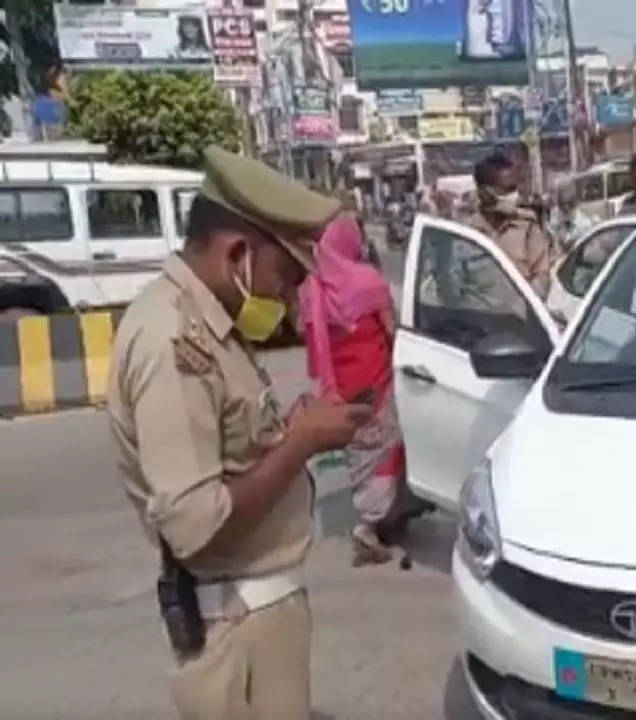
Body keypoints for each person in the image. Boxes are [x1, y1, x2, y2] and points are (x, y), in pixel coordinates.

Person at [107, 148, 372, 719]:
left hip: (256, 612)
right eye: (288, 275)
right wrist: (302, 443)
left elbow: (230, 450)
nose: (291, 296)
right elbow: (194, 523)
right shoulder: (175, 340)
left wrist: (295, 429)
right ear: (237, 254)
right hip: (235, 622)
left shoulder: (210, 322)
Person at [298, 213, 428, 566]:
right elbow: (391, 331)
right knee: (386, 452)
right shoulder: (368, 283)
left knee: (361, 453)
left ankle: (383, 518)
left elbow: (312, 342)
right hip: (377, 381)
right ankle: (369, 527)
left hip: (341, 389)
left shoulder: (313, 289)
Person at [464, 152, 559, 297]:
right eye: (508, 190)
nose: (515, 196)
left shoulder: (527, 226)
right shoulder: (468, 234)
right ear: (485, 193)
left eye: (515, 190)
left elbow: (541, 276)